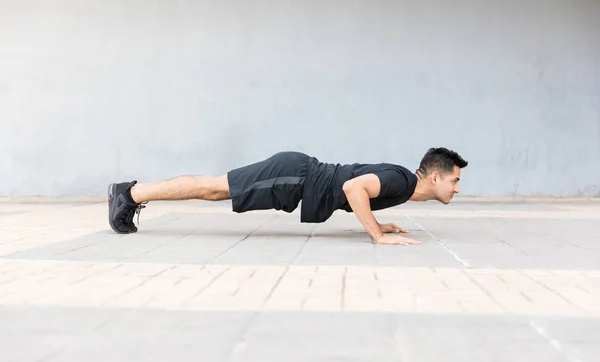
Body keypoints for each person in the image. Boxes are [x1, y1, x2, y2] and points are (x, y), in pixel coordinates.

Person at [108, 147, 467, 245]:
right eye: (454, 181)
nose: (456, 188)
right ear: (435, 176)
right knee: (214, 187)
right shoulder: (402, 181)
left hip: (296, 179)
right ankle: (129, 193)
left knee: (216, 191)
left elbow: (356, 188)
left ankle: (130, 194)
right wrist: (376, 235)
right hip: (295, 177)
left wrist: (377, 223)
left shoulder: (403, 185)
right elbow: (351, 187)